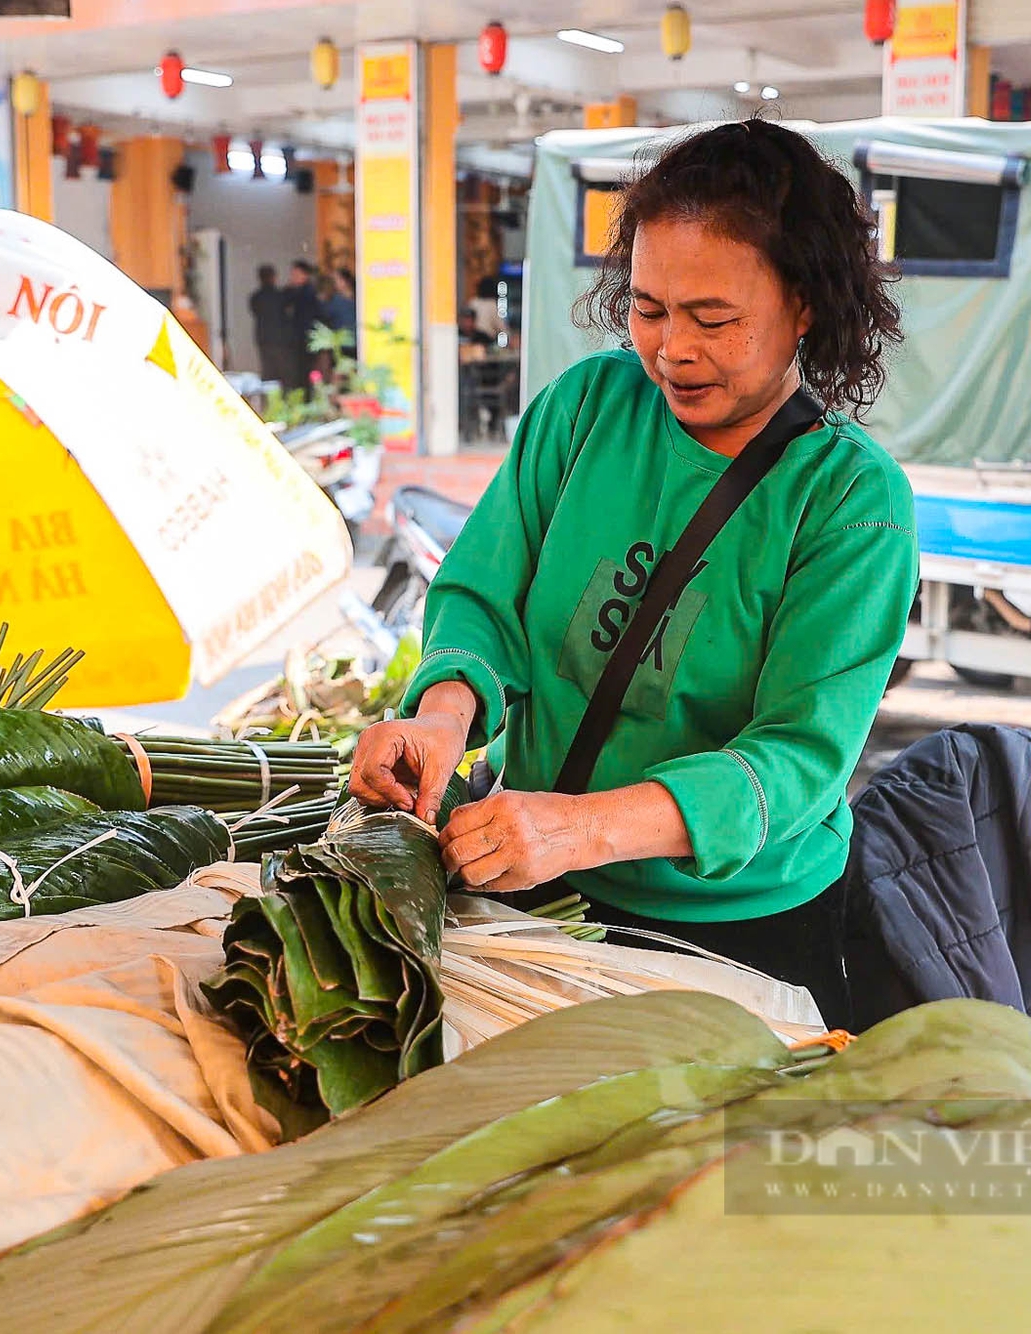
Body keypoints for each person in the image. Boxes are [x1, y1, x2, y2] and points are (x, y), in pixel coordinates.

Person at [348, 119, 915, 1006]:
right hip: (533, 885)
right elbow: (484, 596)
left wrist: (585, 828)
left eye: (714, 320)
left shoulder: (850, 499)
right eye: (648, 309)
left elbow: (798, 757)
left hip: (736, 928)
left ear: (804, 305)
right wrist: (444, 719)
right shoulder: (585, 410)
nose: (671, 350)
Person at [248, 264, 294, 388]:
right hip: (281, 339)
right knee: (284, 373)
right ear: (273, 277)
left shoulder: (255, 297)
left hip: (263, 338)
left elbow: (255, 311)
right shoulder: (280, 296)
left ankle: (269, 401)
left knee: (268, 371)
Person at [283, 259, 324, 388]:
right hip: (300, 338)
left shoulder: (307, 292)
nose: (292, 277)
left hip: (305, 338)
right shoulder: (301, 291)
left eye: (295, 274)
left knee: (304, 371)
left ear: (304, 275)